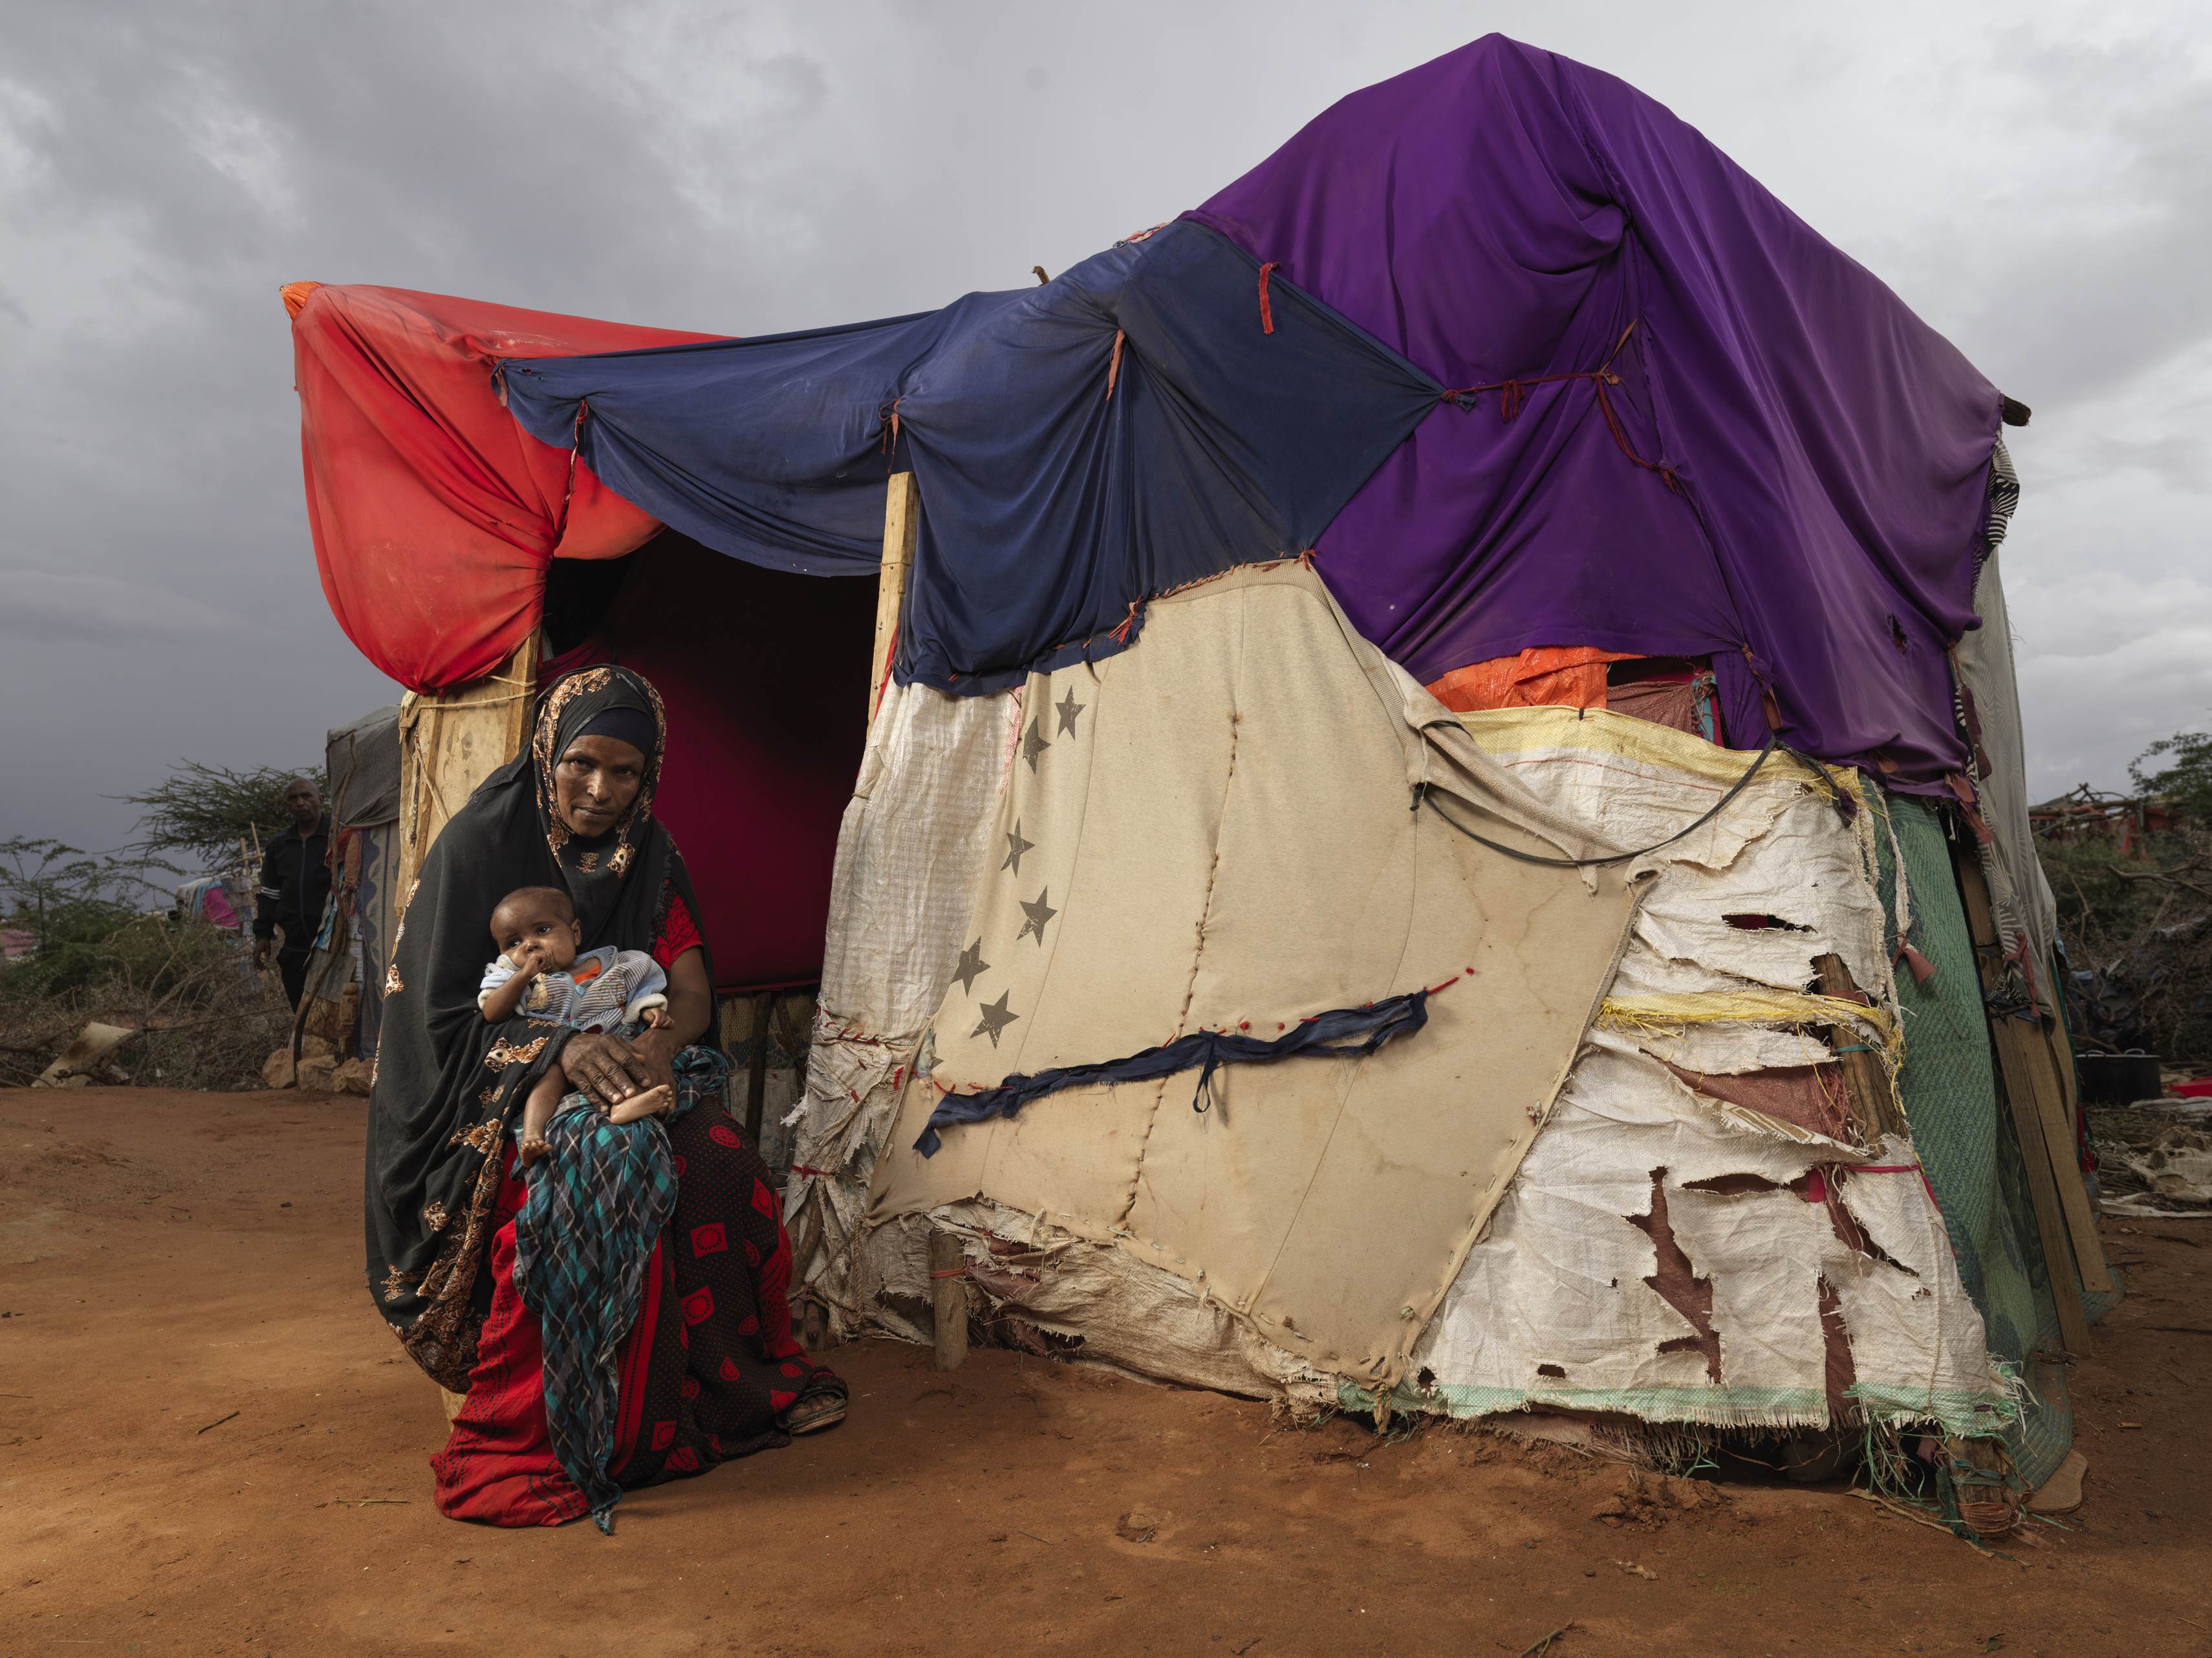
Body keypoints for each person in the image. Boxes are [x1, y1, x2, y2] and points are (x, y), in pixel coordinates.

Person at [366, 665, 845, 1531]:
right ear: (546, 752)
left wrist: (658, 1043)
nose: (600, 788)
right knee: (597, 1164)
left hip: (634, 1058)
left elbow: (691, 985)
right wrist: (560, 1046)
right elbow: (432, 1015)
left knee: (720, 1159)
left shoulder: (652, 856)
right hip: (493, 1092)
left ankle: (721, 1390)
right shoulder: (483, 846)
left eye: (625, 772)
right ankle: (590, 1427)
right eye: (582, 763)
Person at [479, 883, 673, 1163]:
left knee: (632, 1054)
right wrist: (524, 975)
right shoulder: (512, 978)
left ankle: (625, 1108)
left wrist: (648, 1010)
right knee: (549, 1074)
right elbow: (493, 1012)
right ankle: (533, 1133)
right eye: (513, 943)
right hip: (557, 1055)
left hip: (613, 1040)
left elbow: (639, 991)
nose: (530, 945)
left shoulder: (615, 965)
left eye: (543, 930)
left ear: (576, 932)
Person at [252, 775, 331, 1009]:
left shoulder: (338, 837)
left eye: (306, 796)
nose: (300, 802)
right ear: (287, 806)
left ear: (320, 800)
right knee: (301, 1017)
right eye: (293, 799)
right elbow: (269, 894)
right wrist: (262, 935)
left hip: (333, 947)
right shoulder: (279, 845)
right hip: (295, 949)